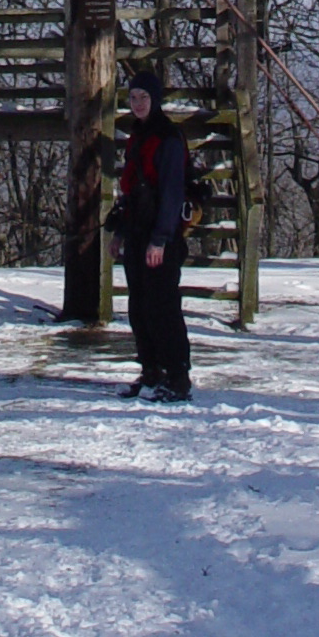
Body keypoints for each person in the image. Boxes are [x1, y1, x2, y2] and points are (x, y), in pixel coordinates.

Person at [114, 68, 191, 402]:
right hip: (136, 228)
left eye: (144, 97)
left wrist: (161, 237)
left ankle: (177, 377)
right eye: (133, 97)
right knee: (140, 306)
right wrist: (118, 231)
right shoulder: (137, 135)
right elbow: (130, 189)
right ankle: (150, 372)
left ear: (156, 99)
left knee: (163, 307)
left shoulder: (168, 138)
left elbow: (173, 192)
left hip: (161, 235)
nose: (138, 103)